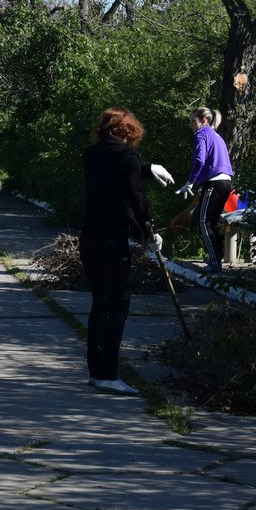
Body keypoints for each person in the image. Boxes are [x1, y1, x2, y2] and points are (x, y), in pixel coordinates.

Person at [79, 107, 165, 396]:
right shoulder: (127, 155)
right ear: (128, 131)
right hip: (113, 240)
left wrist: (146, 168)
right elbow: (136, 197)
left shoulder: (91, 155)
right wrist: (149, 232)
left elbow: (114, 174)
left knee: (99, 303)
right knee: (118, 305)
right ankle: (108, 374)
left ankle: (97, 372)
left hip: (90, 237)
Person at [175, 107, 234, 274]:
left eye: (193, 121)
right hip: (225, 182)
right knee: (214, 221)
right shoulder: (216, 135)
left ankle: (215, 263)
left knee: (204, 221)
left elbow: (200, 160)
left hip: (214, 183)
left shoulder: (201, 134)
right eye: (190, 121)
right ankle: (216, 258)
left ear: (204, 121)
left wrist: (190, 182)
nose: (191, 125)